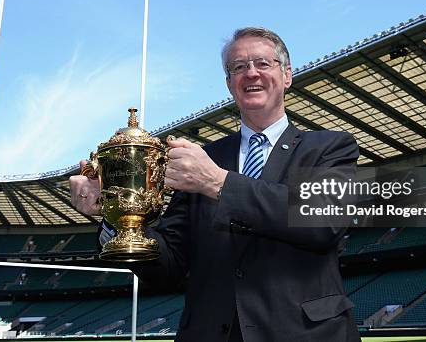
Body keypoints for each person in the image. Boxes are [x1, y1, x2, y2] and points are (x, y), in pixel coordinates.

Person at [70, 27, 361, 342]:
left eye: (263, 63)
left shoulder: (330, 147)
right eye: (238, 67)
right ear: (229, 84)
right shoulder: (202, 158)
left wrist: (217, 182)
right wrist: (117, 216)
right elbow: (168, 268)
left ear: (287, 76)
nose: (251, 73)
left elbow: (322, 222)